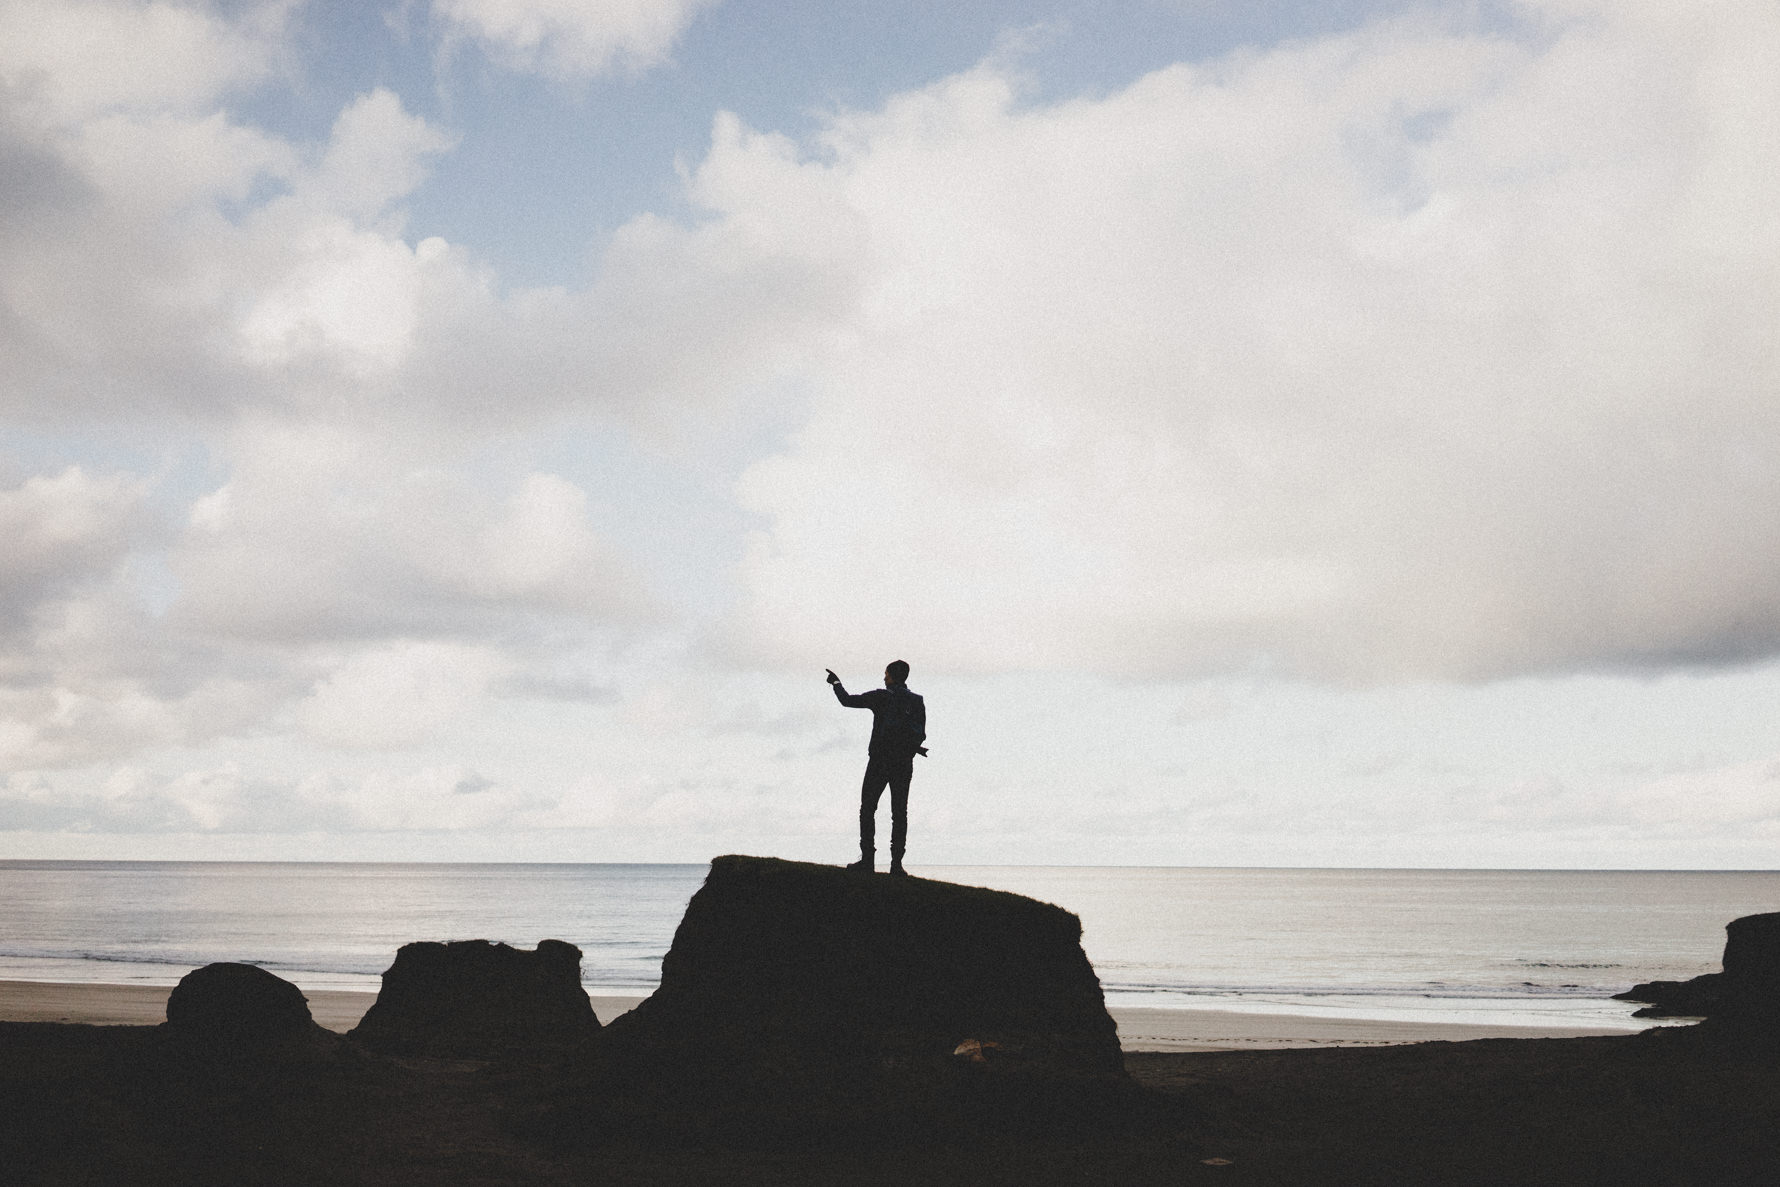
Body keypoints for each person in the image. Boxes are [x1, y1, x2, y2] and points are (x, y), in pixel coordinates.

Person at [826, 661, 926, 875]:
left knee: (868, 808)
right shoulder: (917, 701)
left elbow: (847, 700)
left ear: (892, 677)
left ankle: (868, 860)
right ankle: (896, 865)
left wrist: (836, 683)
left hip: (880, 761)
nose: (884, 678)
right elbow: (921, 733)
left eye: (886, 674)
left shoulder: (881, 696)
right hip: (903, 763)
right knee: (899, 813)